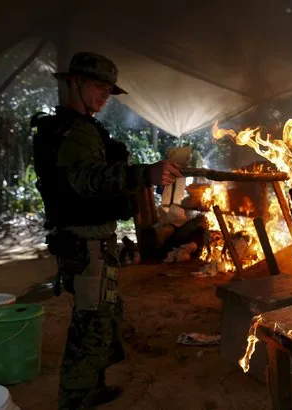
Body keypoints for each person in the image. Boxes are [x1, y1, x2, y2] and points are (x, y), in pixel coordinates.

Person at [31, 52, 182, 409]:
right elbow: (86, 180)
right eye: (97, 86)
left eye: (108, 90)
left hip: (94, 238)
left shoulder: (81, 127)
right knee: (91, 323)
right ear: (74, 82)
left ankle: (91, 388)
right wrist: (142, 174)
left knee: (100, 317)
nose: (103, 96)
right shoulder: (74, 131)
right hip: (85, 242)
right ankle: (76, 399)